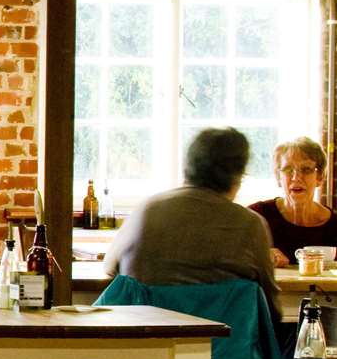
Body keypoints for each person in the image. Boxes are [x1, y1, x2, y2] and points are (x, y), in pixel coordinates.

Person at [104, 126, 277, 312]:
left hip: (149, 336)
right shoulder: (250, 224)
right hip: (225, 339)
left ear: (188, 168)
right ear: (237, 177)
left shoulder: (148, 210)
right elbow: (269, 305)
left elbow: (110, 267)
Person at [249, 137, 337, 267]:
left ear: (320, 177)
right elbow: (228, 256)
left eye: (306, 169)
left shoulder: (334, 226)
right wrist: (260, 255)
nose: (296, 177)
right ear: (279, 177)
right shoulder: (257, 216)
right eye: (288, 169)